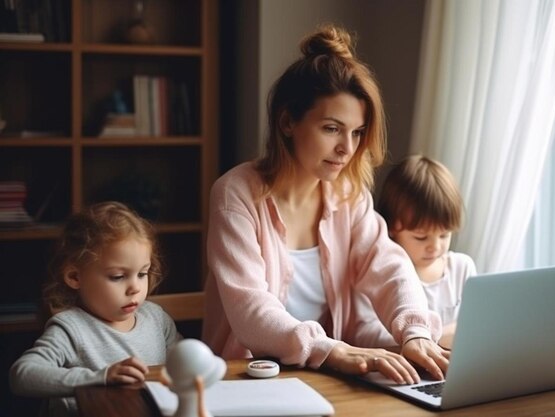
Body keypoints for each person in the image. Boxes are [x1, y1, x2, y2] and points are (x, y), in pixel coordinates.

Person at [202, 24, 449, 385]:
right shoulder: (235, 194)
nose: (347, 149)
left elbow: (390, 268)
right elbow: (251, 310)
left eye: (357, 132)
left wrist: (416, 333)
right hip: (245, 380)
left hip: (329, 378)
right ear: (287, 121)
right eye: (332, 128)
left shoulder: (349, 196)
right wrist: (333, 350)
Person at [10, 201, 181, 416]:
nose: (135, 288)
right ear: (74, 277)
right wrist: (99, 377)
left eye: (142, 273)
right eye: (118, 277)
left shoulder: (157, 319)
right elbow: (22, 375)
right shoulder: (71, 329)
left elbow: (187, 362)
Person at [356, 155, 477, 350]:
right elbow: (365, 334)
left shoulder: (462, 268)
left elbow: (476, 326)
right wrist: (431, 338)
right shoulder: (378, 271)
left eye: (444, 235)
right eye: (421, 237)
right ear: (392, 227)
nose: (435, 247)